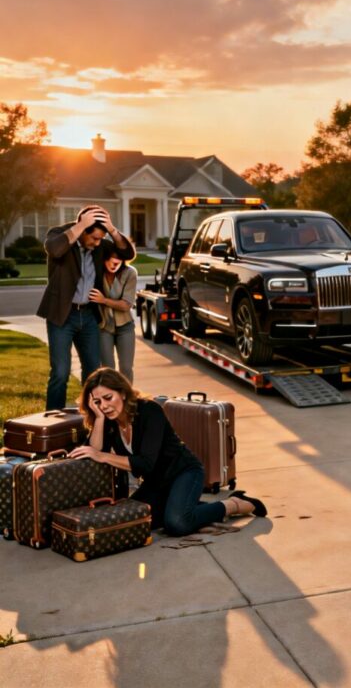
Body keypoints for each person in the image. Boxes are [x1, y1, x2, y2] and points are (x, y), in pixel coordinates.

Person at [69, 368, 266, 535]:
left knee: (177, 524)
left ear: (122, 392)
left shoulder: (149, 411)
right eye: (97, 402)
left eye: (108, 398)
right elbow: (93, 451)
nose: (104, 406)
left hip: (184, 472)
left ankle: (235, 504)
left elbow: (145, 463)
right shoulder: (108, 421)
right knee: (137, 520)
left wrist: (102, 456)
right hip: (156, 482)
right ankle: (186, 506)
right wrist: (100, 419)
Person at [37, 205, 135, 410]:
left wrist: (112, 229)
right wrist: (81, 225)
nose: (98, 242)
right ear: (83, 229)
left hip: (89, 315)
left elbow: (127, 253)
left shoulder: (99, 246)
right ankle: (52, 419)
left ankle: (90, 417)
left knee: (92, 372)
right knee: (61, 372)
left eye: (101, 238)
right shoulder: (59, 235)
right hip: (62, 315)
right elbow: (54, 249)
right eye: (94, 237)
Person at [89, 239, 138, 382]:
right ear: (104, 258)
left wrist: (103, 300)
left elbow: (126, 305)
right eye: (111, 259)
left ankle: (127, 399)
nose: (115, 263)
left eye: (119, 260)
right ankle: (110, 399)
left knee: (126, 368)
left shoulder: (130, 273)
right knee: (108, 369)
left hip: (126, 327)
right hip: (104, 327)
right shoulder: (96, 273)